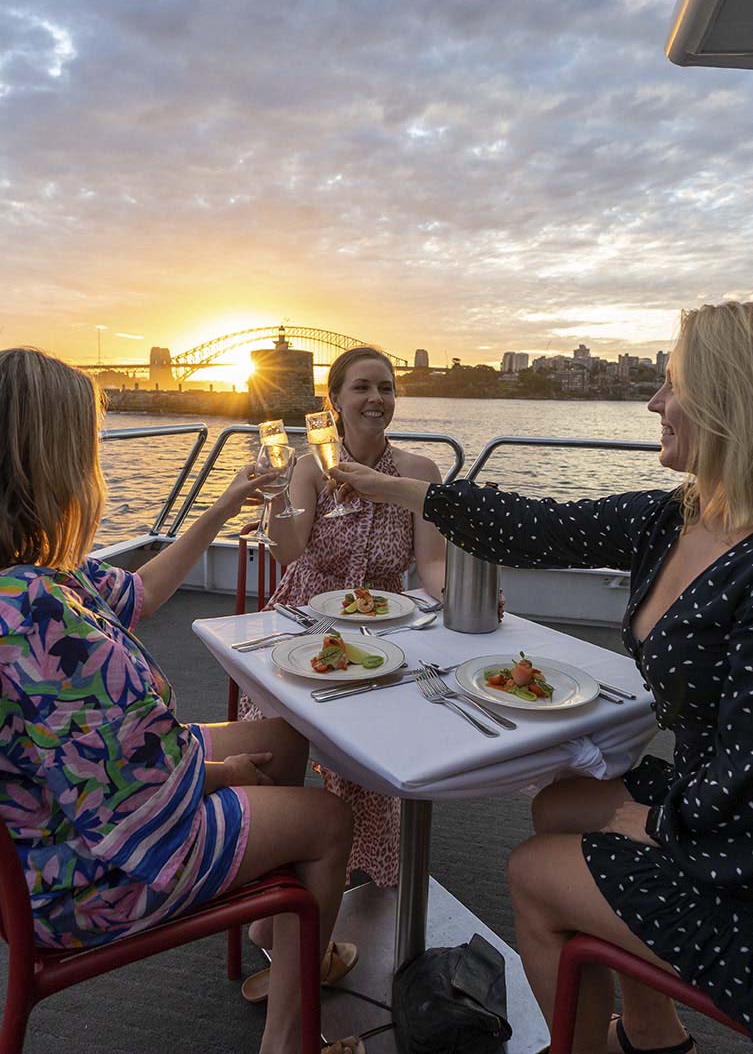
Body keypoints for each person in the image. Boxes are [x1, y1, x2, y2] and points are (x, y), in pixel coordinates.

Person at [329, 302, 753, 1053]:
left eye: (671, 385)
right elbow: (536, 525)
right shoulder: (677, 517)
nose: (652, 403)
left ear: (728, 397)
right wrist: (385, 485)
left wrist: (658, 825)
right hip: (707, 806)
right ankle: (651, 1038)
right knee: (559, 802)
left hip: (735, 856)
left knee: (532, 871)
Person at [0, 348, 364, 1054]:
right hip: (84, 876)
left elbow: (138, 595)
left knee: (284, 736)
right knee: (326, 818)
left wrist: (225, 501)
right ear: (53, 459)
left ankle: (279, 932)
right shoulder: (41, 620)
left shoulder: (40, 578)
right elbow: (132, 793)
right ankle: (291, 1038)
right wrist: (222, 774)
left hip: (57, 821)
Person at [240, 346, 447, 901]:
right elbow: (289, 554)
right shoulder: (307, 469)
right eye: (361, 387)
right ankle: (268, 866)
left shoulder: (420, 473)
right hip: (300, 625)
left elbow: (432, 566)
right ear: (334, 401)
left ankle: (358, 863)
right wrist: (278, 493)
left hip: (383, 631)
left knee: (366, 750)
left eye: (386, 388)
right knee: (271, 737)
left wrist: (467, 599)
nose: (376, 399)